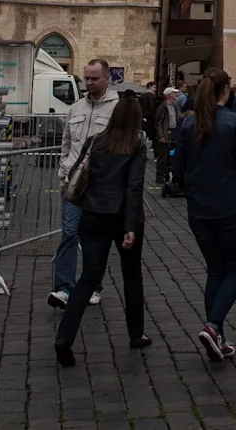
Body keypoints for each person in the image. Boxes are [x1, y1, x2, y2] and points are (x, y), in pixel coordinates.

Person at [171, 69, 236, 361]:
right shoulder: (235, 122)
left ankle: (217, 336)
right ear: (227, 90)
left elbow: (179, 169)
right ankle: (212, 327)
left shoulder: (189, 123)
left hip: (198, 208)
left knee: (215, 269)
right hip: (228, 205)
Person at [53, 96, 150, 364]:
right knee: (131, 275)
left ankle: (64, 337)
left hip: (93, 216)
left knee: (88, 277)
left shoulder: (96, 141)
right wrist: (130, 227)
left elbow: (79, 173)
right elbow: (134, 189)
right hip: (121, 218)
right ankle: (136, 333)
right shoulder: (136, 146)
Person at [52, 58, 119, 308]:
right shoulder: (76, 108)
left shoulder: (116, 108)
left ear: (106, 78)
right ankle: (63, 288)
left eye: (94, 78)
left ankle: (92, 285)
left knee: (95, 238)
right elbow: (66, 144)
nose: (89, 83)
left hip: (102, 183)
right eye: (86, 78)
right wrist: (63, 172)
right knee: (69, 233)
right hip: (74, 181)